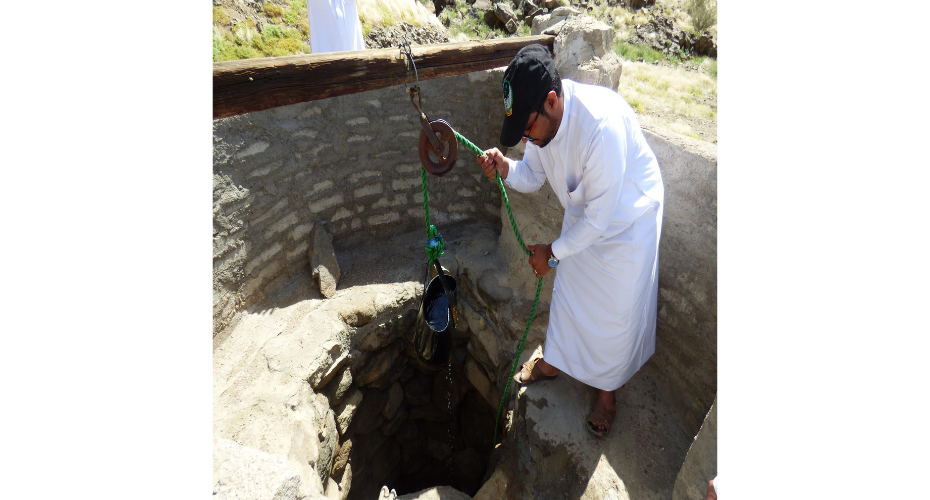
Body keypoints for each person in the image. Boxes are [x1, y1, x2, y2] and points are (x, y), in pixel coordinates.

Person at [477, 44, 664, 437]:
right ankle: (554, 361)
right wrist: (506, 167)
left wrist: (553, 254)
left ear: (550, 101)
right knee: (569, 294)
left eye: (527, 128)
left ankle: (606, 395)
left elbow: (600, 220)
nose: (526, 138)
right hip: (591, 212)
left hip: (628, 220)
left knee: (615, 314)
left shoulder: (601, 127)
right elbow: (531, 175)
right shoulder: (543, 130)